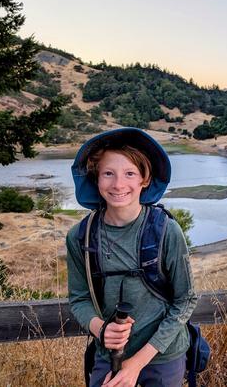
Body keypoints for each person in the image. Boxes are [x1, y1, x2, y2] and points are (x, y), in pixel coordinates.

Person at [66, 128, 197, 387]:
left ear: (144, 180)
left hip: (162, 357)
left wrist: (135, 364)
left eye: (129, 173)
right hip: (108, 356)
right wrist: (101, 330)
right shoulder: (80, 236)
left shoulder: (166, 230)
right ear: (96, 178)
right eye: (108, 174)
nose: (118, 185)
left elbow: (185, 299)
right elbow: (79, 299)